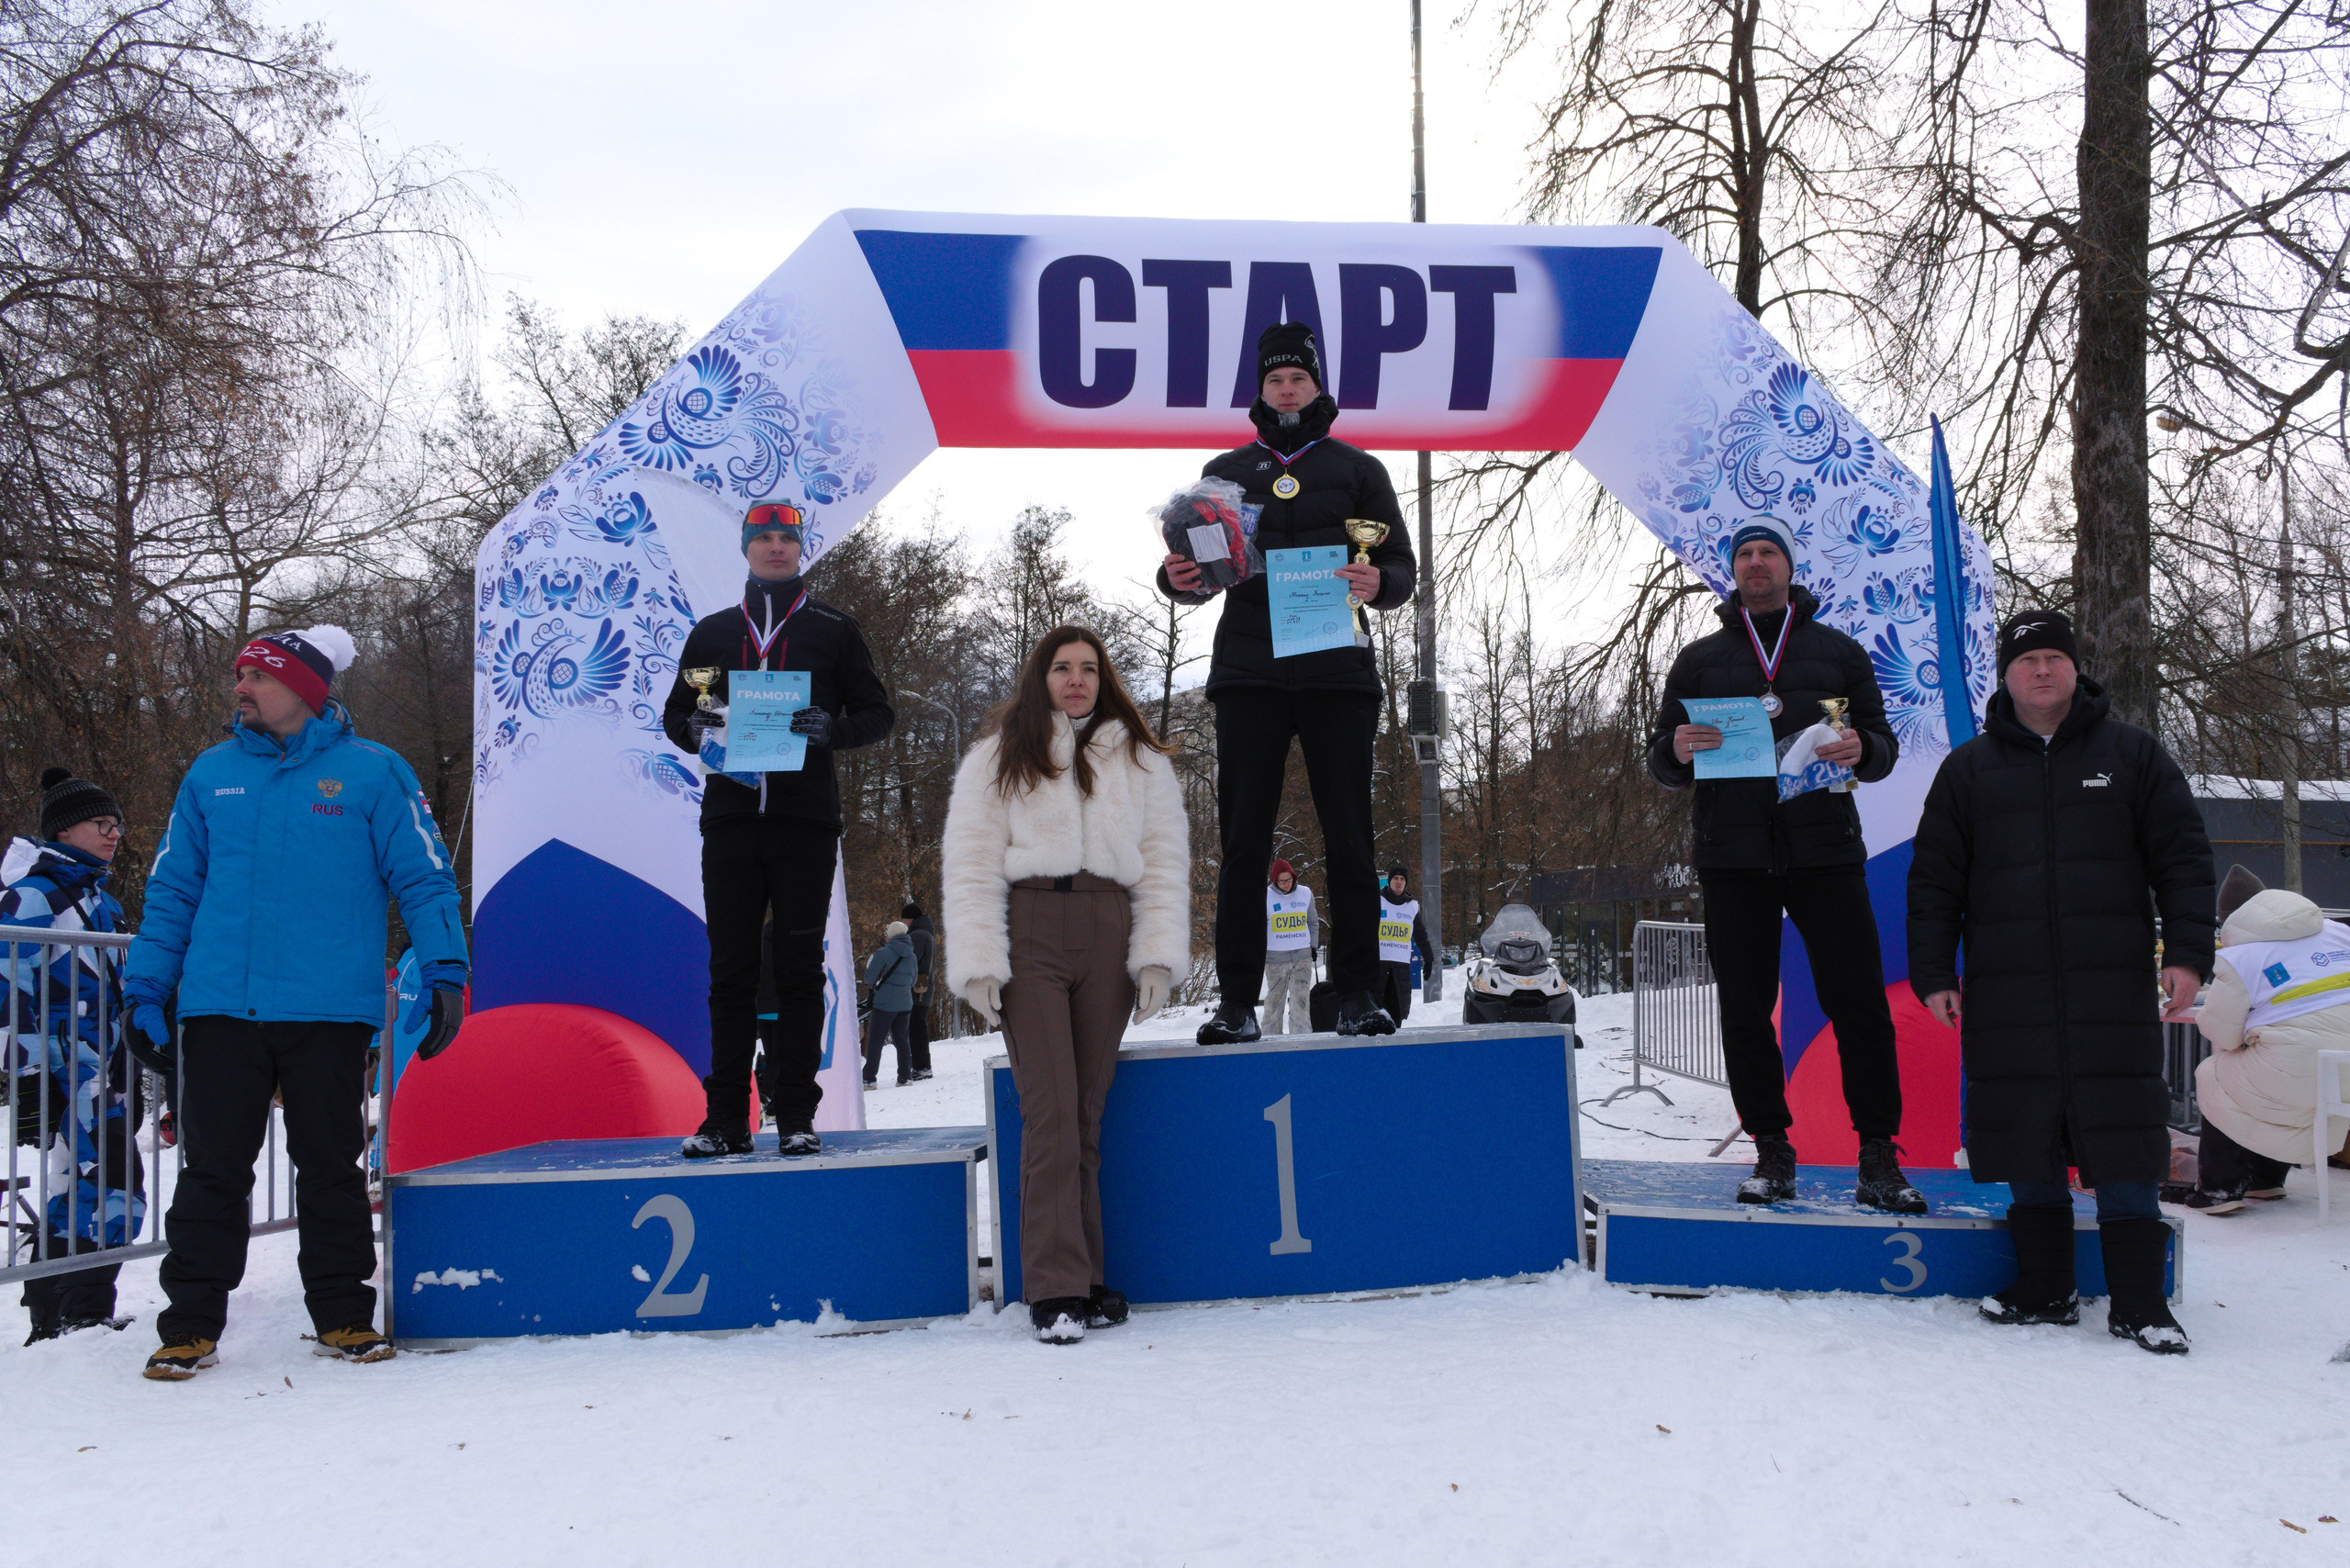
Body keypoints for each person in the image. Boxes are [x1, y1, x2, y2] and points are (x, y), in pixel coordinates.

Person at [127, 626, 468, 1380]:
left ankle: (344, 1314)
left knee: (330, 1165)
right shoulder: (210, 775)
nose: (241, 687)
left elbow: (423, 875)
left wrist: (445, 969)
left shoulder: (375, 773)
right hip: (220, 1005)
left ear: (306, 690)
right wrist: (146, 988)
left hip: (326, 1009)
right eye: (239, 673)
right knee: (212, 1167)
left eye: (259, 675)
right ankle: (188, 1325)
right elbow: (173, 889)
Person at [1908, 609, 2214, 1354]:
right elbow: (1934, 881)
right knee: (2025, 1133)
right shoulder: (1970, 768)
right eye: (2026, 660)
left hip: (2110, 985)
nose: (2041, 670)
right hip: (2007, 989)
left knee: (2124, 1131)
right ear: (2006, 676)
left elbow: (2183, 859)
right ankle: (2045, 1289)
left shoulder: (2134, 755)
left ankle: (2140, 1304)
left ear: (2076, 670)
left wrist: (2187, 955)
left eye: (2054, 658)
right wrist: (1932, 971)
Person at [1645, 520, 1925, 1213]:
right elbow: (1661, 759)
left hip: (1825, 850)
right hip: (1732, 857)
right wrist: (1676, 749)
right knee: (1743, 1012)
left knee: (1858, 1005)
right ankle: (1772, 1151)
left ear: (1788, 568)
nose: (1756, 562)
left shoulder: (1839, 653)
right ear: (1732, 572)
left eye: (1768, 552)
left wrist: (1864, 750)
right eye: (1744, 554)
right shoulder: (1699, 661)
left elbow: (1883, 745)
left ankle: (1878, 1155)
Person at [1159, 321, 1415, 1044]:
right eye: (1275, 380)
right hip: (1250, 672)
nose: (1287, 389)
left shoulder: (1360, 469)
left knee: (1351, 838)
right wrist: (1175, 579)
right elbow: (1194, 571)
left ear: (1317, 385)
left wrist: (1379, 581)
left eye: (1298, 378)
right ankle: (1236, 1001)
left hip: (1338, 672)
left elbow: (1401, 568)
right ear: (1260, 392)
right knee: (1243, 840)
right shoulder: (1223, 473)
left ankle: (1360, 993)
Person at [941, 626, 1188, 1343]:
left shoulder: (1140, 758)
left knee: (1085, 1113)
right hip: (1032, 929)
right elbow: (972, 860)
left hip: (1109, 926)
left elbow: (1165, 858)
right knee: (1048, 1113)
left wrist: (1155, 956)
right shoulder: (998, 756)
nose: (1075, 679)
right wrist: (981, 961)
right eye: (1061, 667)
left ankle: (1083, 1276)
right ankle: (1053, 1289)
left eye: (1088, 668)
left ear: (1103, 677)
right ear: (1039, 677)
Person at [661, 501, 894, 1158]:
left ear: (801, 549)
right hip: (732, 822)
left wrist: (833, 730)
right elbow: (678, 714)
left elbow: (878, 714)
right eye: (762, 537)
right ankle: (726, 1119)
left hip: (804, 824)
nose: (774, 548)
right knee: (729, 974)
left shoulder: (832, 630)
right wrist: (696, 729)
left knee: (797, 972)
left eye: (785, 538)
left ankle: (796, 1115)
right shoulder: (710, 635)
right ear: (745, 547)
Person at [7, 767, 141, 1345]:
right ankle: (81, 1315)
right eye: (100, 824)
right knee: (115, 1184)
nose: (113, 835)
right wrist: (32, 1077)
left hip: (102, 1069)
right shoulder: (33, 895)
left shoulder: (98, 900)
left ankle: (56, 1318)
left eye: (117, 825)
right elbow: (8, 989)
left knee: (74, 1186)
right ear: (64, 831)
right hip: (64, 1072)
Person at [2186, 873, 2350, 1212]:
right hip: (2345, 1070)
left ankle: (2220, 1189)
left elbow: (2222, 1034)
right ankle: (2266, 1180)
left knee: (2217, 1074)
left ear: (2230, 919)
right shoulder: (2340, 932)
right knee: (2268, 1079)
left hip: (2300, 1068)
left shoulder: (2241, 957)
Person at [1261, 859, 1319, 1036]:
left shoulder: (1305, 893)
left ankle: (1302, 1042)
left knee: (1300, 1002)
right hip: (1275, 960)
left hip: (1302, 958)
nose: (1286, 884)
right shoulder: (1266, 896)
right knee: (1274, 1004)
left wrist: (1313, 947)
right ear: (1274, 881)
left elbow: (1313, 921)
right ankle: (1270, 1043)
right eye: (1282, 881)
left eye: (1289, 880)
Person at [1375, 867, 1438, 1025]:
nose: (1399, 882)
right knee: (1375, 1013)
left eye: (1402, 879)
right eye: (1395, 878)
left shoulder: (1412, 906)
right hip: (1378, 966)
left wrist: (1428, 959)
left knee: (1397, 1015)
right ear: (1389, 881)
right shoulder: (1377, 901)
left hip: (1400, 968)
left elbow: (1420, 934)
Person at [862, 920, 918, 1088]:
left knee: (876, 1041)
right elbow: (913, 981)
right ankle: (905, 1076)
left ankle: (869, 1078)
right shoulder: (912, 955)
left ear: (891, 935)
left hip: (884, 1004)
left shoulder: (883, 953)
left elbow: (869, 978)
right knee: (902, 1040)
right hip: (905, 1003)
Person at [902, 900, 937, 1081]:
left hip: (918, 989)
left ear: (910, 919)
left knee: (916, 1028)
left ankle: (922, 1067)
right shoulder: (927, 933)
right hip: (924, 988)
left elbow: (909, 961)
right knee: (918, 1026)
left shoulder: (918, 935)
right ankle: (922, 1066)